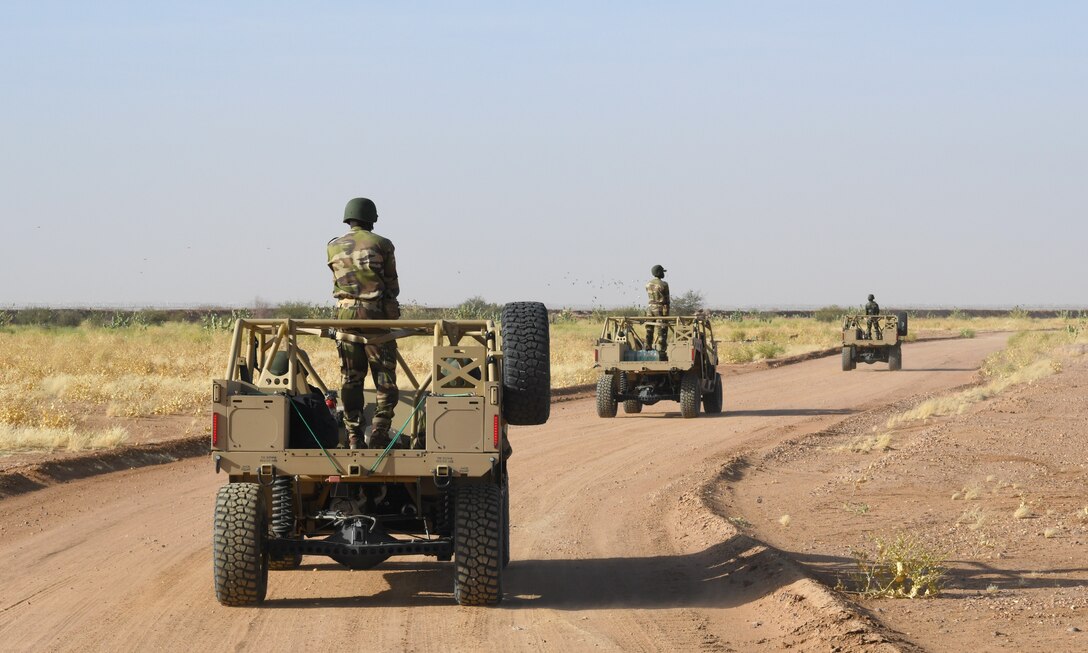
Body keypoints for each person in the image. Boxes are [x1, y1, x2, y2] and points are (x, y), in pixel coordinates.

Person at [327, 197, 401, 449]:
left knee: (351, 379)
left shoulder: (332, 246)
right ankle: (379, 431)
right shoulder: (382, 244)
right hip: (374, 318)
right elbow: (392, 285)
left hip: (344, 318)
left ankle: (353, 436)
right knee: (385, 377)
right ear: (372, 218)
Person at [645, 265, 670, 352]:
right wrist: (666, 315)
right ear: (659, 272)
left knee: (649, 328)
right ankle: (661, 350)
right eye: (662, 272)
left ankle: (647, 346)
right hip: (660, 308)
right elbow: (667, 300)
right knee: (662, 329)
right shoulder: (664, 284)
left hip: (649, 308)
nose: (663, 274)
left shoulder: (648, 284)